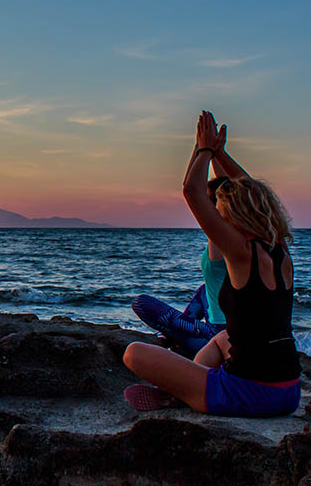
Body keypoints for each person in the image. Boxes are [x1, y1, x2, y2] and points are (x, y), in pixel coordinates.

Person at [122, 111, 301, 417]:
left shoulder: (241, 252)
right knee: (221, 339)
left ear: (234, 216)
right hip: (289, 391)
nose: (217, 216)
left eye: (221, 210)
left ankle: (183, 393)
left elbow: (192, 191)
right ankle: (184, 389)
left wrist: (204, 149)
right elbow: (253, 190)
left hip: (251, 394)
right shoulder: (280, 248)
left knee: (133, 353)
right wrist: (221, 153)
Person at [130, 143, 252, 356]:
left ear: (216, 206)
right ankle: (175, 335)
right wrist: (216, 152)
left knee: (141, 304)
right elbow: (232, 188)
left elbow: (191, 189)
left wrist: (202, 147)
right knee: (205, 289)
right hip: (237, 325)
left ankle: (187, 338)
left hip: (220, 334)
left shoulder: (221, 237)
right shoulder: (244, 232)